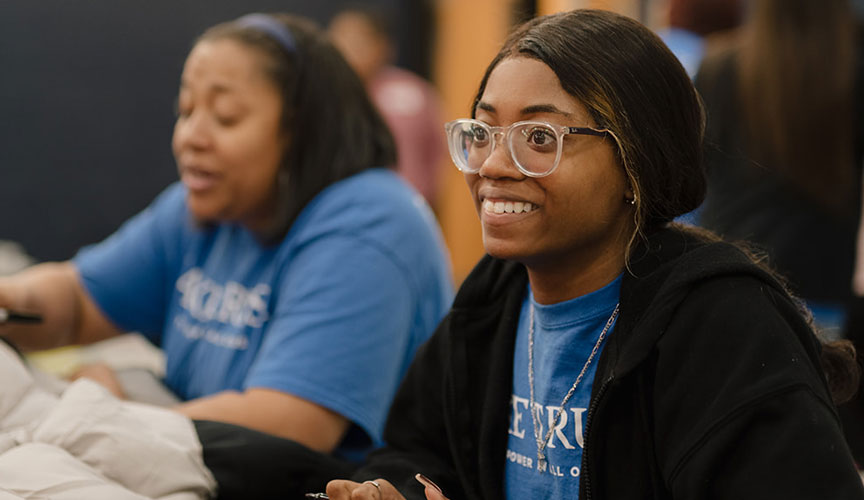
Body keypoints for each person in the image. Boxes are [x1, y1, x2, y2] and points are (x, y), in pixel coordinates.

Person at [324, 9, 864, 500]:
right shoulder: (493, 297)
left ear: (636, 162)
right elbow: (414, 453)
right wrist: (396, 492)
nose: (490, 165)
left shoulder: (720, 324)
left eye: (539, 137)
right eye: (483, 131)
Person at [0, 13, 453, 463]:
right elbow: (81, 302)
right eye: (186, 110)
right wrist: (2, 302)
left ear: (300, 132)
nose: (190, 136)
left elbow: (289, 426)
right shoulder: (203, 208)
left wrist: (108, 414)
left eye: (224, 117)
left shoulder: (371, 223)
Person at [695, 0, 861, 335]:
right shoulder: (852, 70)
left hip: (729, 273)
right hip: (824, 279)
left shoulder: (719, 64)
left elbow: (696, 172)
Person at [328, 6, 445, 207]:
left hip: (413, 204)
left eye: (359, 40)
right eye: (341, 40)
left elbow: (438, 152)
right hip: (344, 209)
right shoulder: (322, 97)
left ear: (383, 46)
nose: (348, 49)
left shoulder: (414, 93)